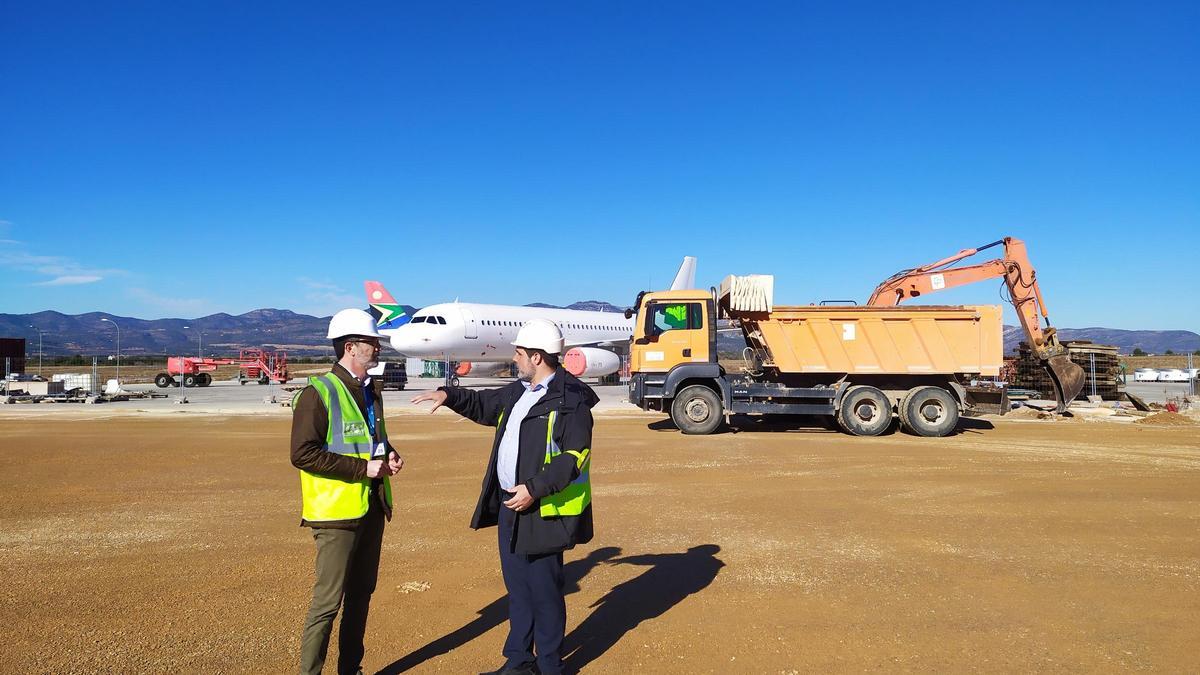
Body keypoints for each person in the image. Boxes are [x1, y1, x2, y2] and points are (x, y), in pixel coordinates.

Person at [412, 318, 596, 675]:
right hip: (513, 504)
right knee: (519, 589)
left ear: (538, 357)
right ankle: (518, 662)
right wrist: (449, 395)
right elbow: (485, 404)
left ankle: (549, 665)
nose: (515, 358)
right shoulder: (520, 392)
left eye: (520, 353)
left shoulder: (571, 400)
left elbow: (574, 457)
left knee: (543, 592)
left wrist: (535, 489)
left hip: (544, 510)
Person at [291, 308, 404, 675]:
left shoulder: (371, 391)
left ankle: (350, 669)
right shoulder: (317, 393)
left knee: (360, 598)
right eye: (372, 342)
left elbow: (371, 440)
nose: (378, 347)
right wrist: (362, 468)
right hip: (336, 515)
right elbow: (302, 453)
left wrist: (389, 453)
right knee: (327, 603)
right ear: (351, 347)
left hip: (372, 507)